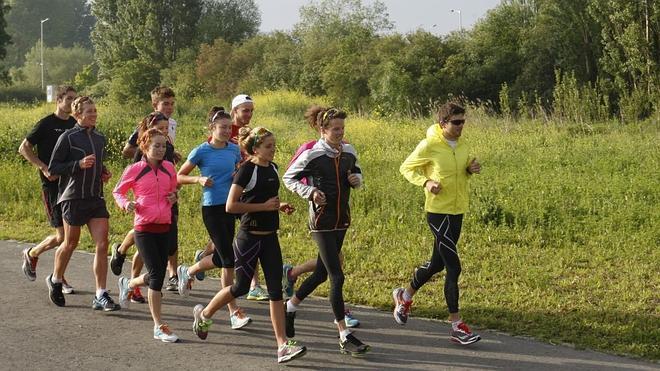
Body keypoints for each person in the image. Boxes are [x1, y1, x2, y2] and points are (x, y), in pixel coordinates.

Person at [191, 126, 307, 363]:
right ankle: (204, 314)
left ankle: (282, 345)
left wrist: (280, 205)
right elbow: (231, 206)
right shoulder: (246, 170)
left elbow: (262, 198)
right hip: (249, 238)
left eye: (274, 146)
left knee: (276, 291)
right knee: (240, 287)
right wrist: (263, 207)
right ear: (255, 149)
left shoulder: (273, 168)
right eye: (268, 146)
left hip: (270, 237)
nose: (273, 150)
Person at [282, 106, 370, 356]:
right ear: (322, 130)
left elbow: (357, 173)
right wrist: (310, 192)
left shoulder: (349, 151)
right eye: (335, 129)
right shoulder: (313, 153)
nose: (340, 133)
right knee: (337, 276)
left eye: (342, 128)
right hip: (320, 221)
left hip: (341, 219)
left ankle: (290, 307)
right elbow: (289, 178)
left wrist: (356, 180)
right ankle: (344, 335)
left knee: (321, 274)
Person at [393, 101, 482, 345]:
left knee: (436, 264)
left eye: (463, 121)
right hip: (437, 212)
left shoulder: (462, 144)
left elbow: (460, 169)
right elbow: (406, 168)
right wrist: (426, 182)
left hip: (457, 210)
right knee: (454, 267)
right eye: (456, 122)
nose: (461, 126)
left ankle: (405, 295)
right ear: (443, 123)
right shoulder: (429, 144)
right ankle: (456, 325)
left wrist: (470, 168)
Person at [176, 106, 251, 329]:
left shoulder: (234, 149)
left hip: (231, 207)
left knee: (221, 257)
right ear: (212, 128)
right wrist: (198, 180)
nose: (227, 131)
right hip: (212, 208)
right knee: (229, 260)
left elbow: (238, 171)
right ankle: (233, 311)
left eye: (229, 127)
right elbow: (179, 176)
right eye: (223, 127)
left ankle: (188, 270)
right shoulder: (201, 151)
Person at [192, 94, 269, 301]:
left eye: (251, 110)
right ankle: (235, 294)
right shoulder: (223, 133)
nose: (249, 114)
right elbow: (211, 158)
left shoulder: (251, 133)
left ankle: (254, 284)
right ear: (234, 111)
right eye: (245, 110)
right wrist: (199, 179)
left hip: (244, 194)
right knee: (229, 248)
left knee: (249, 236)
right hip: (221, 199)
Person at [46, 96, 119, 311]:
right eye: (89, 112)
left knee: (103, 243)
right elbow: (54, 167)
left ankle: (101, 294)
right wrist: (78, 164)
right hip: (73, 197)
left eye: (95, 111)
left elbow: (98, 163)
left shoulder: (99, 138)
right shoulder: (68, 138)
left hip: (95, 197)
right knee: (70, 243)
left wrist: (103, 172)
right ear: (77, 115)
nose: (94, 115)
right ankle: (56, 279)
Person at [112, 86, 181, 294]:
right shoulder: (145, 131)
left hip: (166, 185)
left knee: (169, 233)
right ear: (154, 105)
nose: (169, 108)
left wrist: (169, 153)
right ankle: (132, 276)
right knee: (145, 235)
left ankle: (171, 274)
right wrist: (151, 149)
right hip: (148, 189)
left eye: (171, 103)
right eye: (165, 104)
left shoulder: (172, 125)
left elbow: (166, 151)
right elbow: (128, 152)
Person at [114, 127, 180, 342]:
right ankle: (159, 326)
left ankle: (129, 284)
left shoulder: (170, 168)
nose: (161, 150)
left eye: (164, 146)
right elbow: (118, 192)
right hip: (144, 228)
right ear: (144, 146)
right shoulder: (135, 169)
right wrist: (126, 204)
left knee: (155, 274)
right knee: (157, 277)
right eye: (156, 146)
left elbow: (173, 190)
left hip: (165, 226)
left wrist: (173, 197)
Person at [19, 85, 77, 294]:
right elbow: (24, 147)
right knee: (62, 237)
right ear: (59, 100)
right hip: (51, 185)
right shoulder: (45, 123)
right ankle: (33, 253)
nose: (72, 102)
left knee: (69, 237)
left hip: (70, 186)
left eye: (74, 99)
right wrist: (43, 167)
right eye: (69, 98)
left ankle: (58, 276)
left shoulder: (74, 124)